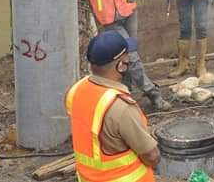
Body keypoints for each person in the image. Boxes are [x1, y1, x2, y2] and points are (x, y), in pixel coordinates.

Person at [66, 31, 159, 182]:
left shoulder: (76, 90)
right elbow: (151, 156)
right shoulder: (121, 108)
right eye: (127, 57)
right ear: (121, 66)